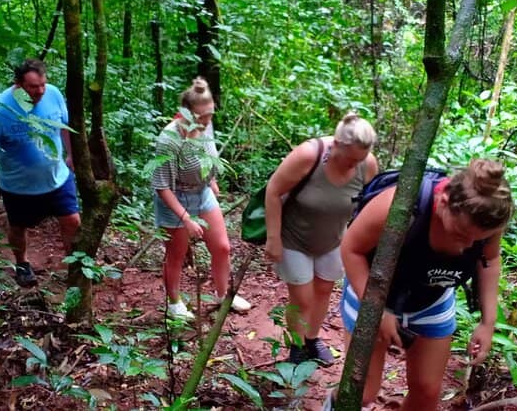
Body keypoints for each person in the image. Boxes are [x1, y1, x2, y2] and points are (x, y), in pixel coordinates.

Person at [333, 159, 513, 409]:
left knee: (427, 392)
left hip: (431, 300)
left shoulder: (485, 222)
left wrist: (488, 323)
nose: (466, 247)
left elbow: (490, 261)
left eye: (477, 240)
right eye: (461, 235)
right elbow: (351, 249)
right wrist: (377, 309)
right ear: (443, 202)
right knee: (362, 392)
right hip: (370, 291)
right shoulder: (399, 206)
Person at [264, 113, 379, 365]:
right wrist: (273, 237)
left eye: (358, 161)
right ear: (336, 144)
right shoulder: (308, 156)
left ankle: (312, 339)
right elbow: (274, 190)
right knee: (302, 297)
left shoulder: (368, 164)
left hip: (336, 238)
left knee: (324, 289)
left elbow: (370, 204)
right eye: (349, 159)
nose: (353, 165)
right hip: (294, 238)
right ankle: (296, 346)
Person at [0, 59, 81, 287]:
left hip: (58, 178)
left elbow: (65, 126)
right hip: (18, 185)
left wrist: (72, 155)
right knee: (18, 227)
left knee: (72, 221)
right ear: (18, 84)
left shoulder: (53, 94)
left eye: (43, 84)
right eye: (33, 87)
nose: (40, 91)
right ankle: (21, 263)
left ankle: (76, 267)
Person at [151, 76, 250, 320]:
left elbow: (208, 153)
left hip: (202, 192)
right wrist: (186, 219)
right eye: (201, 116)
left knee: (223, 247)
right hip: (174, 198)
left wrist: (211, 180)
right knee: (176, 254)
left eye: (210, 115)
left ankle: (222, 294)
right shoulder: (169, 140)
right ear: (184, 113)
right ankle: (174, 303)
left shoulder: (206, 124)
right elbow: (162, 187)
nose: (207, 121)